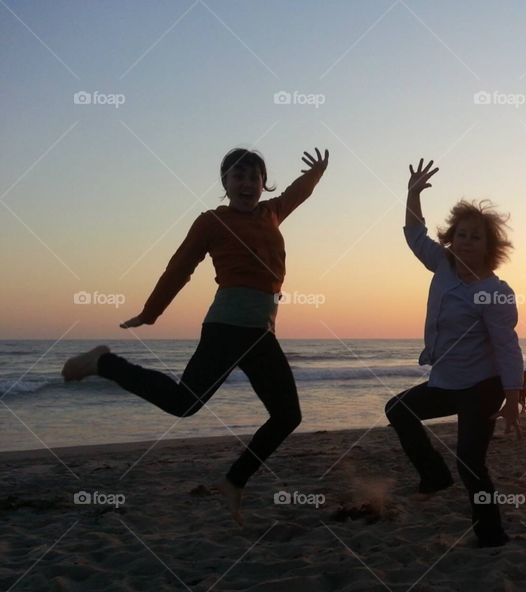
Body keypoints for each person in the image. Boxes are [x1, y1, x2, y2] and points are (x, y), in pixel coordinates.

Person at [61, 146, 330, 525]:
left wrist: (317, 173)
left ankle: (234, 482)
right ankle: (103, 362)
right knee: (184, 404)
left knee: (287, 415)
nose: (247, 183)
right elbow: (180, 265)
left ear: (263, 183)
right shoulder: (211, 222)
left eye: (254, 177)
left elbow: (298, 193)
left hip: (260, 333)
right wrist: (151, 313)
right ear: (224, 183)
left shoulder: (272, 213)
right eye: (238, 176)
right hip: (225, 327)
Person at [385, 159, 523, 548]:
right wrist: (413, 194)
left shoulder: (495, 291)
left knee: (470, 460)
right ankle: (433, 476)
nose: (465, 241)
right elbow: (414, 234)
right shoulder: (443, 266)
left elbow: (507, 345)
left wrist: (512, 397)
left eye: (475, 237)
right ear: (452, 238)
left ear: (489, 247)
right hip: (446, 382)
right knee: (398, 409)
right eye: (460, 234)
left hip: (483, 387)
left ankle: (491, 535)